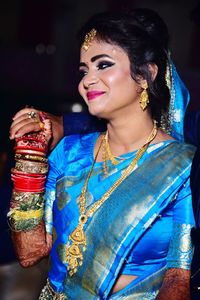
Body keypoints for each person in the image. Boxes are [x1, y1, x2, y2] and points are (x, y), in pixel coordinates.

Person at [9, 9, 195, 299]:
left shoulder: (183, 167)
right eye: (84, 71)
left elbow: (177, 279)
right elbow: (30, 253)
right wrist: (29, 158)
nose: (87, 81)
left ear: (146, 74)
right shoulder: (68, 153)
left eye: (103, 65)